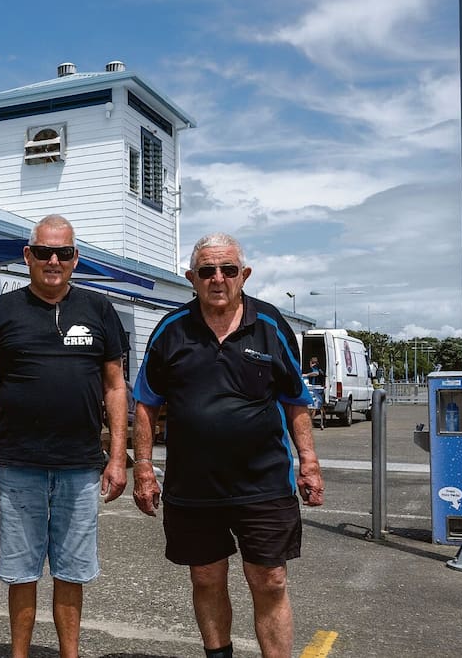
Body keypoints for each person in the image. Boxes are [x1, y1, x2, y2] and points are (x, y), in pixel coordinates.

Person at [130, 232, 324, 658]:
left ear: (244, 275)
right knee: (206, 577)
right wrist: (142, 468)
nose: (218, 279)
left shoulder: (271, 326)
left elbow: (296, 402)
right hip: (194, 486)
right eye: (207, 271)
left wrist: (308, 462)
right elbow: (145, 403)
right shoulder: (170, 330)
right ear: (191, 278)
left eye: (228, 270)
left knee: (270, 580)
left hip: (264, 483)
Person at [0, 214, 129, 658]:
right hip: (18, 463)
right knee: (20, 570)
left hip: (80, 465)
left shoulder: (99, 310)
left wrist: (119, 456)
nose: (53, 260)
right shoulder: (3, 310)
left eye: (63, 252)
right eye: (43, 252)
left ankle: (68, 655)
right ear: (28, 256)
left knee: (72, 570)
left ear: (76, 258)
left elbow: (116, 387)